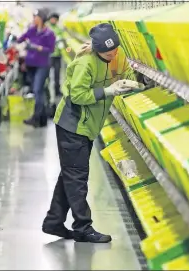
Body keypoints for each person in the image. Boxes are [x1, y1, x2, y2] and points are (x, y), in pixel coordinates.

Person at [42, 23, 143, 243]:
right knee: (77, 177)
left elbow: (125, 71)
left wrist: (134, 83)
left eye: (115, 49)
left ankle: (53, 221)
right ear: (97, 49)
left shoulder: (117, 56)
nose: (113, 54)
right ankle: (82, 228)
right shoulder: (85, 63)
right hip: (73, 125)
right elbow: (77, 95)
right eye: (108, 52)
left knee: (70, 174)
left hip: (88, 126)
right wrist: (108, 91)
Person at [17, 8, 56, 127]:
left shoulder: (49, 33)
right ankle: (42, 118)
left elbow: (51, 49)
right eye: (33, 17)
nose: (34, 19)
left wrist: (37, 47)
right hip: (31, 64)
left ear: (42, 19)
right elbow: (20, 39)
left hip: (42, 65)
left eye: (36, 17)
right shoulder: (32, 30)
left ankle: (36, 117)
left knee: (38, 90)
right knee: (37, 91)